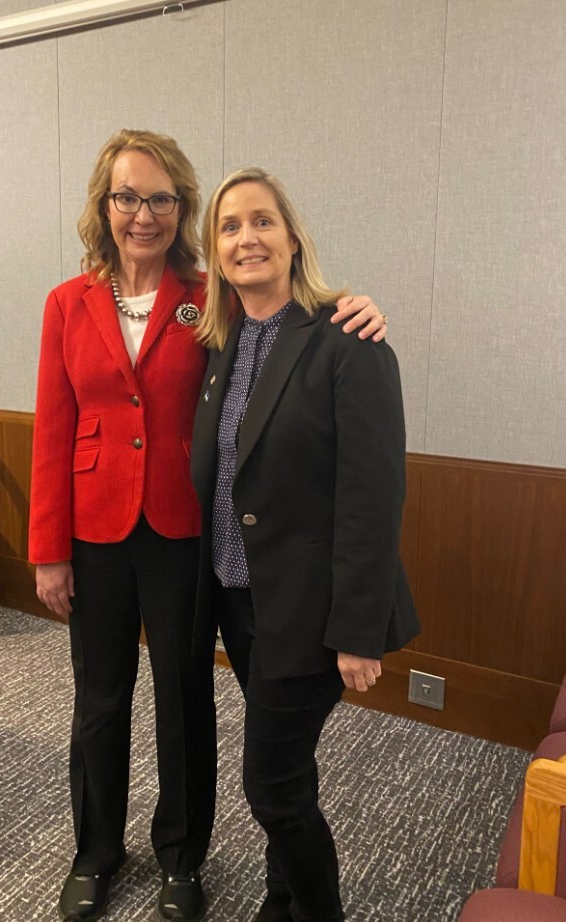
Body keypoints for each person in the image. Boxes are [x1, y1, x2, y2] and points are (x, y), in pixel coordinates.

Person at [29, 130, 387, 922]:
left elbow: (288, 325)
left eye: (161, 198)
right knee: (97, 698)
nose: (144, 214)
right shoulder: (67, 302)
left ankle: (182, 857)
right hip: (94, 530)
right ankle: (94, 850)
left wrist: (348, 304)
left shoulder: (206, 299)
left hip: (184, 533)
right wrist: (47, 549)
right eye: (128, 197)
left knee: (184, 696)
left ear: (181, 209)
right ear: (105, 206)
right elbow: (53, 431)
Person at [190, 168, 420, 922]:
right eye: (229, 226)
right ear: (214, 248)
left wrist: (357, 631)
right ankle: (278, 902)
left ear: (292, 237)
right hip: (241, 600)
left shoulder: (346, 339)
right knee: (287, 769)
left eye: (262, 221)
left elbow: (372, 498)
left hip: (312, 613)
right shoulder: (221, 346)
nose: (246, 238)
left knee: (271, 787)